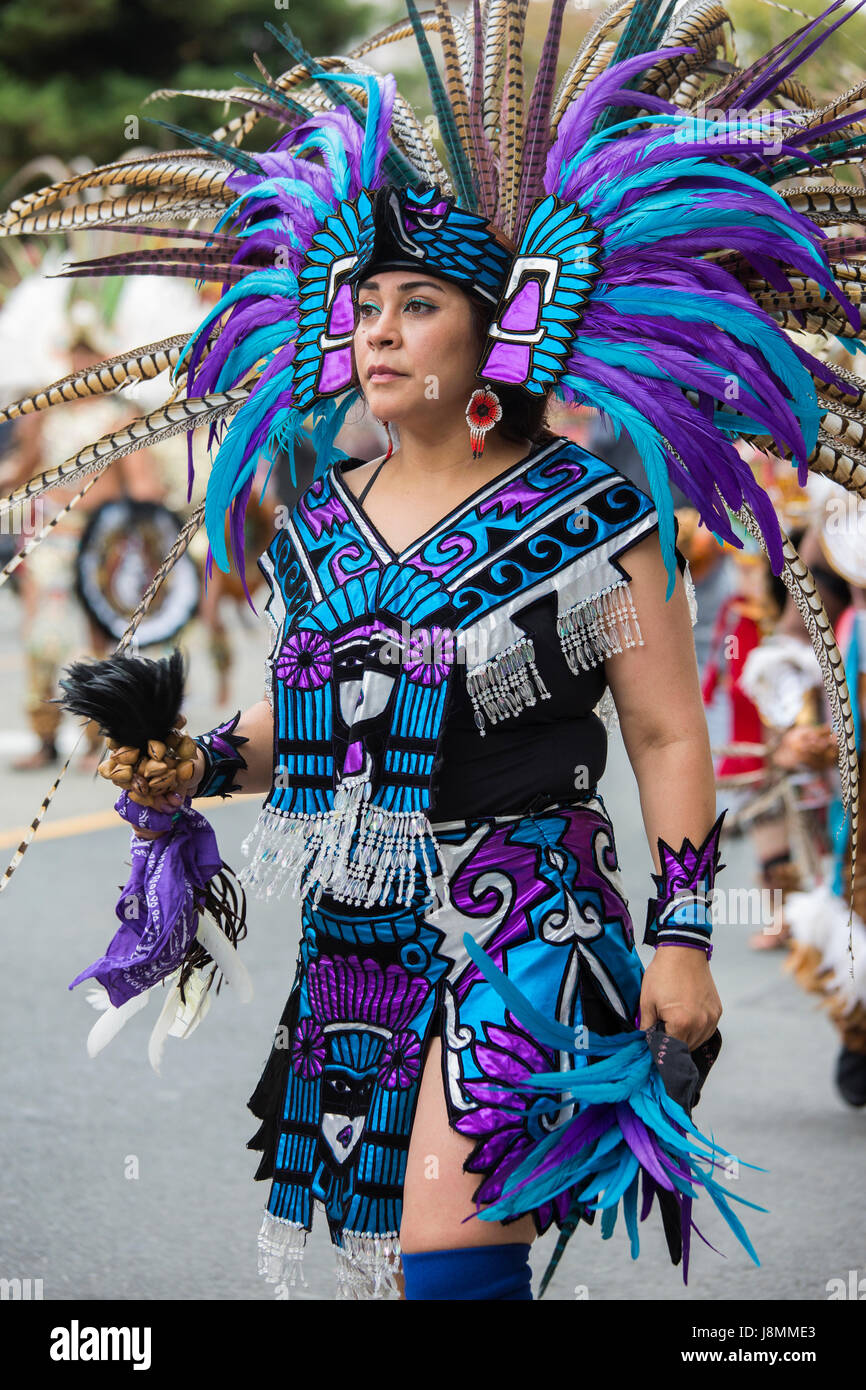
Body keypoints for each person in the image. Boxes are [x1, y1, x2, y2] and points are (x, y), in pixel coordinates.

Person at [4, 0, 866, 1301]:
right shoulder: (323, 524)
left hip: (530, 925)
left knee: (449, 1266)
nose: (381, 329)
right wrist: (191, 758)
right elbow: (322, 721)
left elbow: (665, 731)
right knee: (408, 1274)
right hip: (366, 947)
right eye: (365, 306)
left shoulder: (589, 508)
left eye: (418, 303)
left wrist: (683, 939)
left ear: (497, 333)